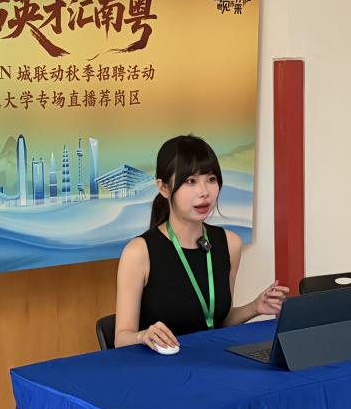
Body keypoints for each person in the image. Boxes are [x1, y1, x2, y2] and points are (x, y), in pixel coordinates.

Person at [115, 135, 287, 351]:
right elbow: (121, 338)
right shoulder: (139, 252)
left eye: (211, 179)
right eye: (191, 181)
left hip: (211, 361)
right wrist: (143, 336)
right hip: (160, 364)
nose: (204, 192)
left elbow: (218, 321)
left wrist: (255, 307)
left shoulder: (230, 243)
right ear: (164, 188)